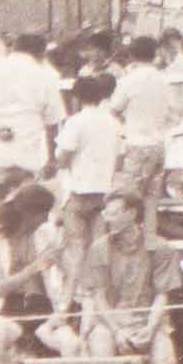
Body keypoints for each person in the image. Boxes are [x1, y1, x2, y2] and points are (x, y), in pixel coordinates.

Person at [74, 192, 181, 364]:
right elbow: (99, 297)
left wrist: (150, 328)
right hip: (110, 322)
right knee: (101, 354)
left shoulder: (160, 247)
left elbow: (162, 295)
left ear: (131, 214)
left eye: (113, 213)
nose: (107, 218)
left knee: (167, 361)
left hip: (149, 321)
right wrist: (117, 330)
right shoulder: (99, 248)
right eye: (106, 213)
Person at [0, 182, 70, 364]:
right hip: (12, 307)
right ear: (28, 214)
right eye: (43, 214)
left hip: (45, 307)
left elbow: (68, 273)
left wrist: (64, 306)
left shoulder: (47, 234)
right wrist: (33, 269)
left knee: (71, 343)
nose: (46, 220)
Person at [0, 31, 64, 217]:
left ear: (13, 48)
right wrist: (51, 158)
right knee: (28, 210)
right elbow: (53, 123)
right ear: (41, 54)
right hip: (28, 151)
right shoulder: (46, 75)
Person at [52, 73, 121, 285]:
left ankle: (75, 296)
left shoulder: (75, 122)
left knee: (76, 247)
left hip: (77, 193)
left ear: (77, 97)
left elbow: (63, 158)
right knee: (99, 248)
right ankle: (98, 293)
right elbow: (120, 157)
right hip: (103, 193)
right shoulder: (113, 122)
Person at [109, 36, 173, 214]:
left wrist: (126, 124)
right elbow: (172, 112)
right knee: (152, 197)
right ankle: (150, 236)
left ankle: (129, 237)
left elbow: (113, 110)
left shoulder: (128, 81)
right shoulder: (164, 80)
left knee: (128, 196)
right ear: (155, 55)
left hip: (135, 144)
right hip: (159, 145)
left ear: (131, 55)